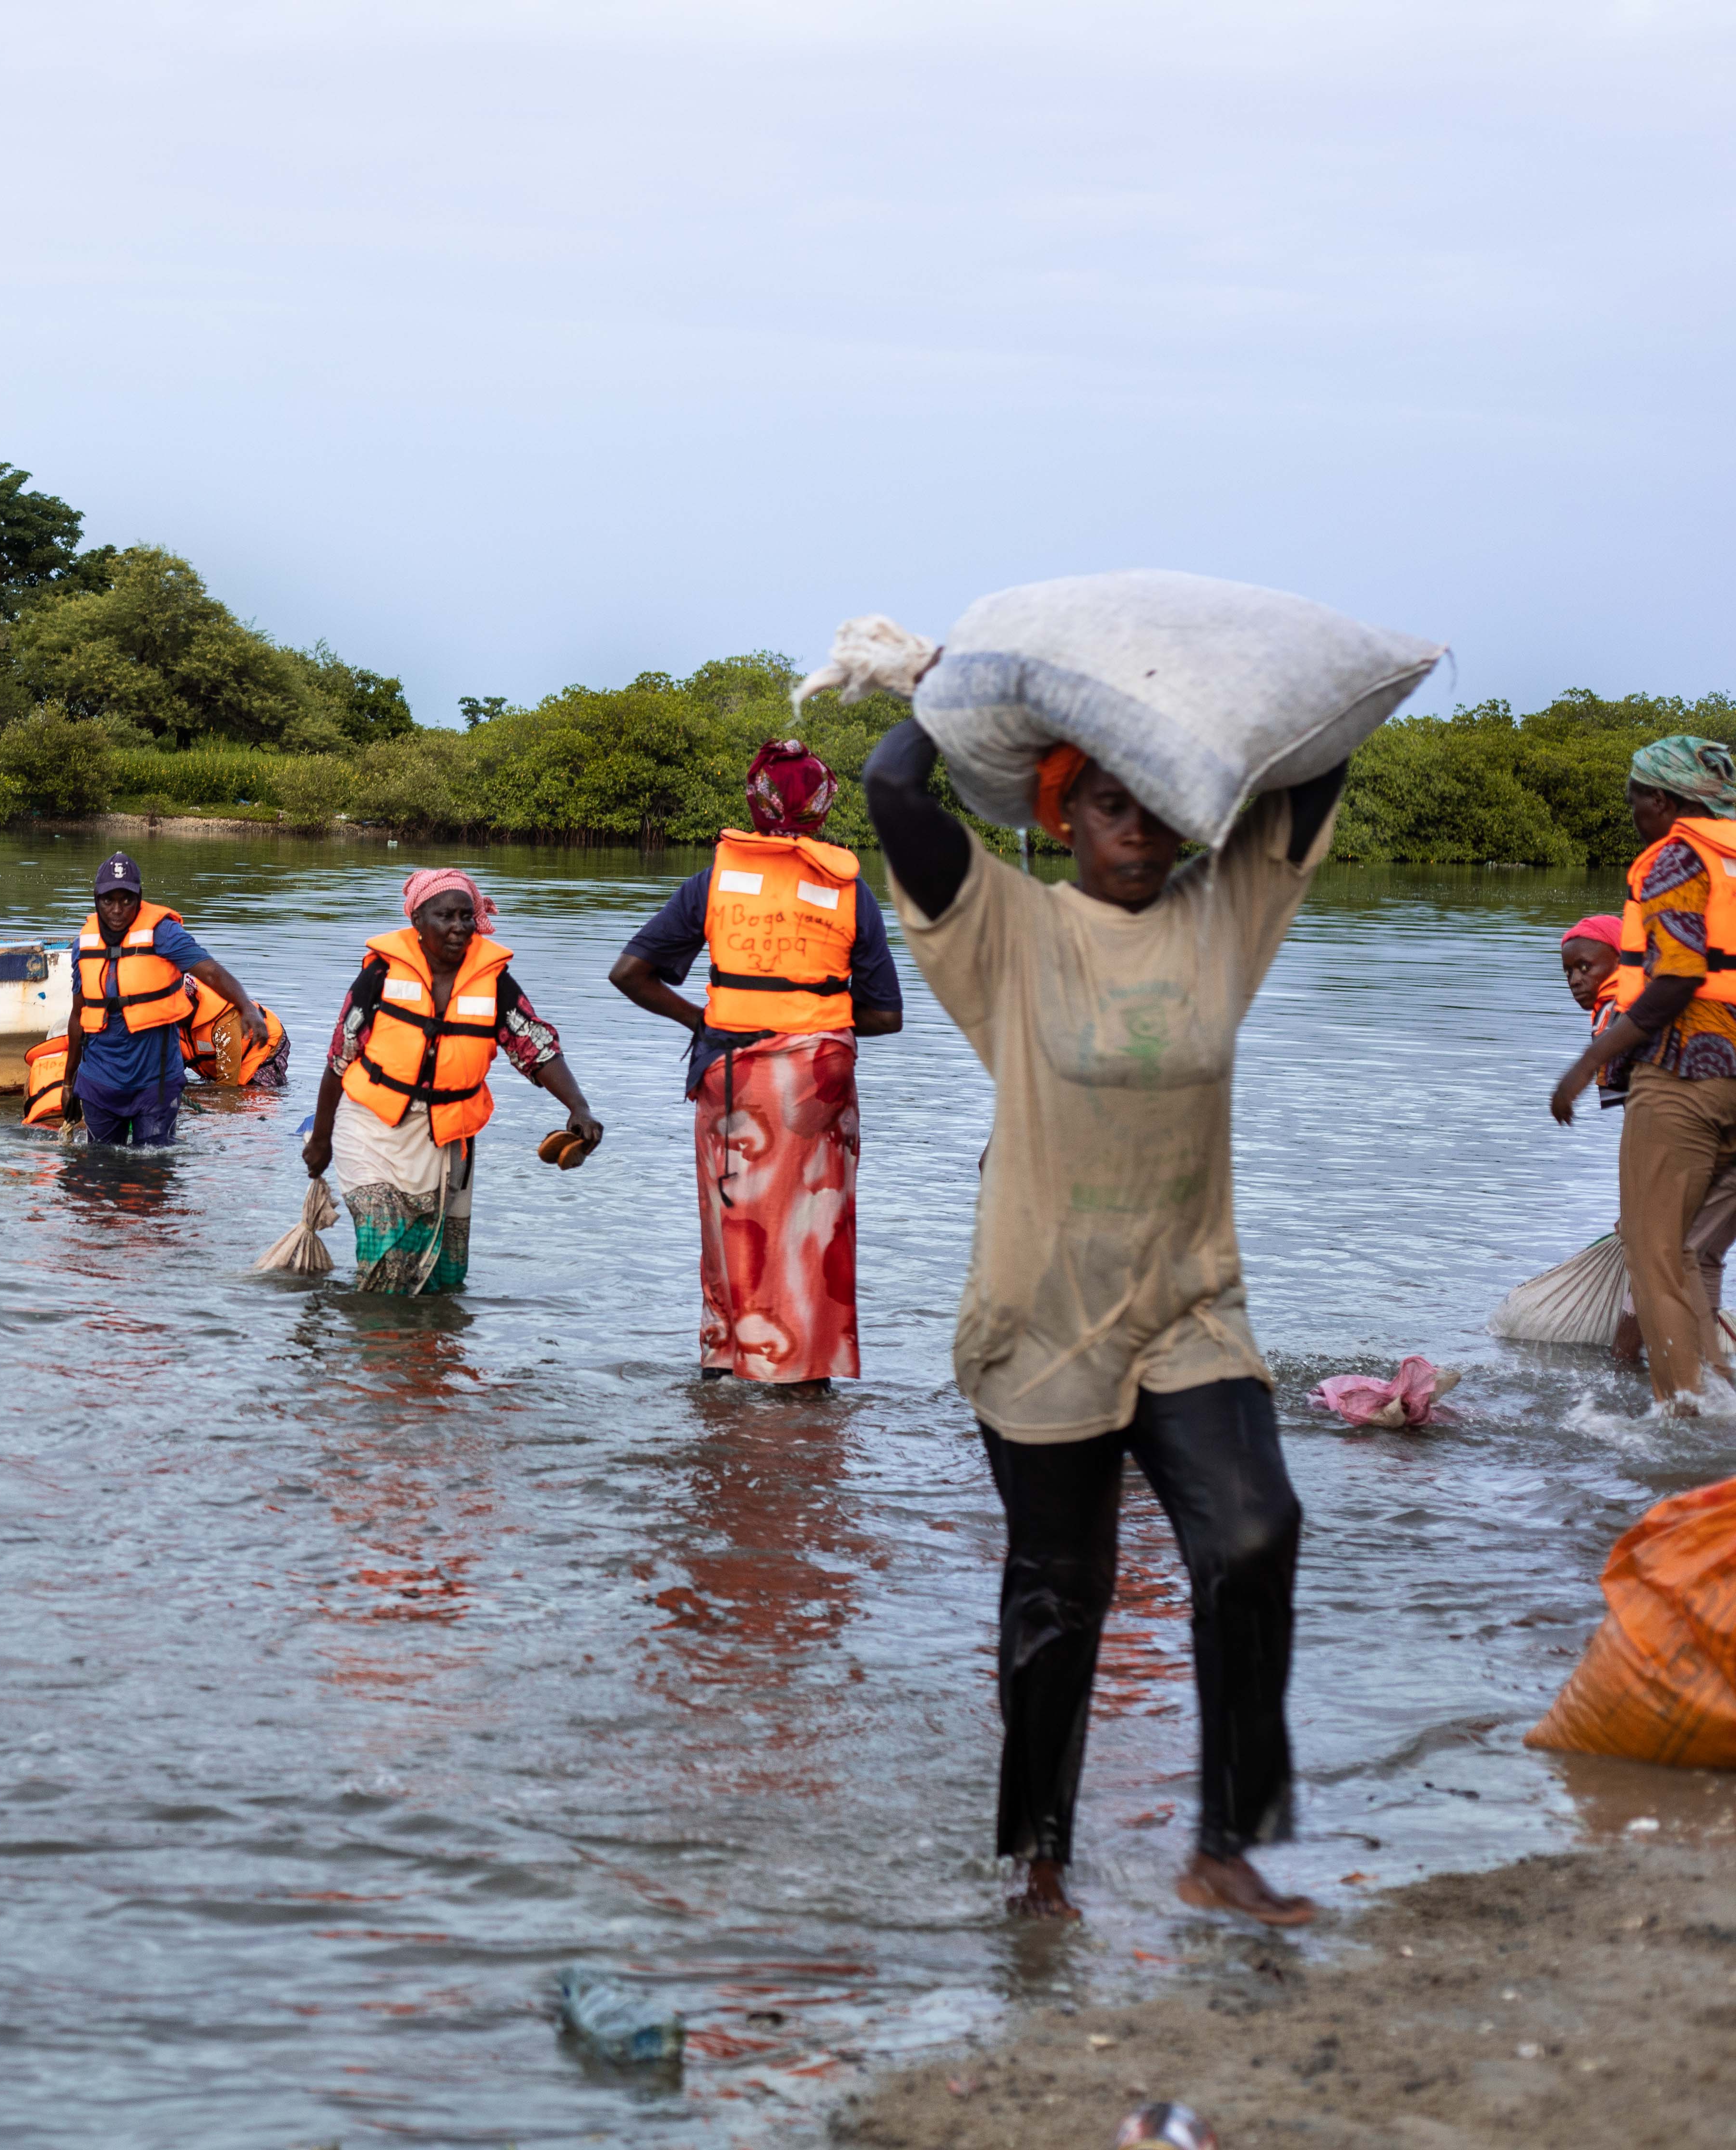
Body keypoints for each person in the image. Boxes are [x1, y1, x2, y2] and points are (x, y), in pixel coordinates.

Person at [861, 707, 1348, 1929]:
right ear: (1062, 818)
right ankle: (1039, 1866)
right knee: (1057, 1594)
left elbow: (1321, 747)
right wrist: (953, 697)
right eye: (1110, 806)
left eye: (1158, 808)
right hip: (1046, 1317)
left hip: (1192, 1306)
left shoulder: (1225, 913)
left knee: (1252, 1534)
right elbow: (894, 794)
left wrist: (1217, 688)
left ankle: (1225, 1846)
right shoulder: (1012, 927)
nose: (1139, 831)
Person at [610, 739, 904, 1394]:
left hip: (730, 1073)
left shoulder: (714, 880)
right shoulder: (849, 891)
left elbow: (629, 974)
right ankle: (800, 1375)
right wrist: (813, 1014)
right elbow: (886, 1016)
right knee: (811, 1225)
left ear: (757, 801)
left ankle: (724, 1360)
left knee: (729, 1216)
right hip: (815, 1082)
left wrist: (707, 1022)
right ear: (825, 809)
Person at [298, 869, 604, 1294]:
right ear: (418, 922)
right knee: (387, 1253)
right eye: (446, 917)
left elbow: (535, 1046)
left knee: (442, 1276)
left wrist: (578, 1107)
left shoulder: (494, 983)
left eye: (467, 916)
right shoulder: (382, 977)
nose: (459, 927)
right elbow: (339, 1059)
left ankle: (427, 1352)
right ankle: (377, 1350)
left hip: (448, 1135)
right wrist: (322, 1139)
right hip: (371, 1127)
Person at [1550, 738, 1736, 1408]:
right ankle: (1716, 1403)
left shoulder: (1675, 860)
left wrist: (1587, 1065)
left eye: (1634, 801)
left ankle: (1682, 1423)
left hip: (1690, 1071)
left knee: (1655, 1256)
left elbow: (1678, 980)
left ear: (1662, 800)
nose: (1633, 814)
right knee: (1693, 1253)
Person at [1559, 909, 1736, 1362]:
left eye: (1586, 967)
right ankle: (1704, 1378)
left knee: (1662, 1252)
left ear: (1623, 962)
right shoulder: (1627, 1009)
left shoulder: (1623, 1015)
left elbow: (1655, 1115)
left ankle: (1636, 1369)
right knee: (1697, 1255)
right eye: (1569, 971)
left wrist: (1637, 1206)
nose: (1576, 980)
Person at [56, 852, 275, 1147]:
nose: (118, 910)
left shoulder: (164, 933)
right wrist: (69, 1083)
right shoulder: (83, 945)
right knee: (101, 1173)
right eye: (109, 900)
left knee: (153, 1172)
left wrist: (246, 1006)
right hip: (100, 1083)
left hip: (154, 1084)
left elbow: (210, 972)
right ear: (96, 900)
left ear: (140, 897)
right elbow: (78, 1016)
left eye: (127, 900)